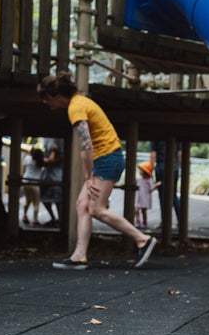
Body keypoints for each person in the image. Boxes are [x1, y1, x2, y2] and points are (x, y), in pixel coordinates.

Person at [38, 71, 157, 270]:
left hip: (107, 159)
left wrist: (88, 175)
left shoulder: (75, 108)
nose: (44, 102)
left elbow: (86, 146)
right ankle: (79, 256)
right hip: (108, 157)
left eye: (46, 98)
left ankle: (142, 239)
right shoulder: (79, 102)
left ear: (57, 97)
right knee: (82, 204)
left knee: (96, 209)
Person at [149, 141, 181, 228]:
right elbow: (180, 153)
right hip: (174, 168)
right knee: (173, 195)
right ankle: (181, 220)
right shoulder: (177, 133)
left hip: (161, 168)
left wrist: (150, 171)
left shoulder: (156, 135)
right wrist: (179, 167)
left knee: (163, 196)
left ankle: (165, 222)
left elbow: (153, 155)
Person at [41, 139, 63, 227]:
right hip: (47, 175)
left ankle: (60, 220)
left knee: (58, 199)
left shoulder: (59, 144)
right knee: (44, 197)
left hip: (57, 175)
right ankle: (54, 218)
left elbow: (54, 160)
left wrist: (52, 156)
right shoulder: (46, 141)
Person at [22, 147, 45, 226]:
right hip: (34, 183)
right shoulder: (41, 162)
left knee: (28, 201)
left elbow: (23, 169)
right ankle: (35, 221)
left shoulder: (27, 159)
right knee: (36, 202)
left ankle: (24, 216)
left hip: (25, 181)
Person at [135, 161, 160, 229]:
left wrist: (156, 185)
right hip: (138, 197)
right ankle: (137, 221)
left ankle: (144, 222)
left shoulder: (149, 180)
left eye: (141, 170)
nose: (140, 172)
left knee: (143, 211)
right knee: (136, 210)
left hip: (145, 197)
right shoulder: (138, 178)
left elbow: (151, 188)